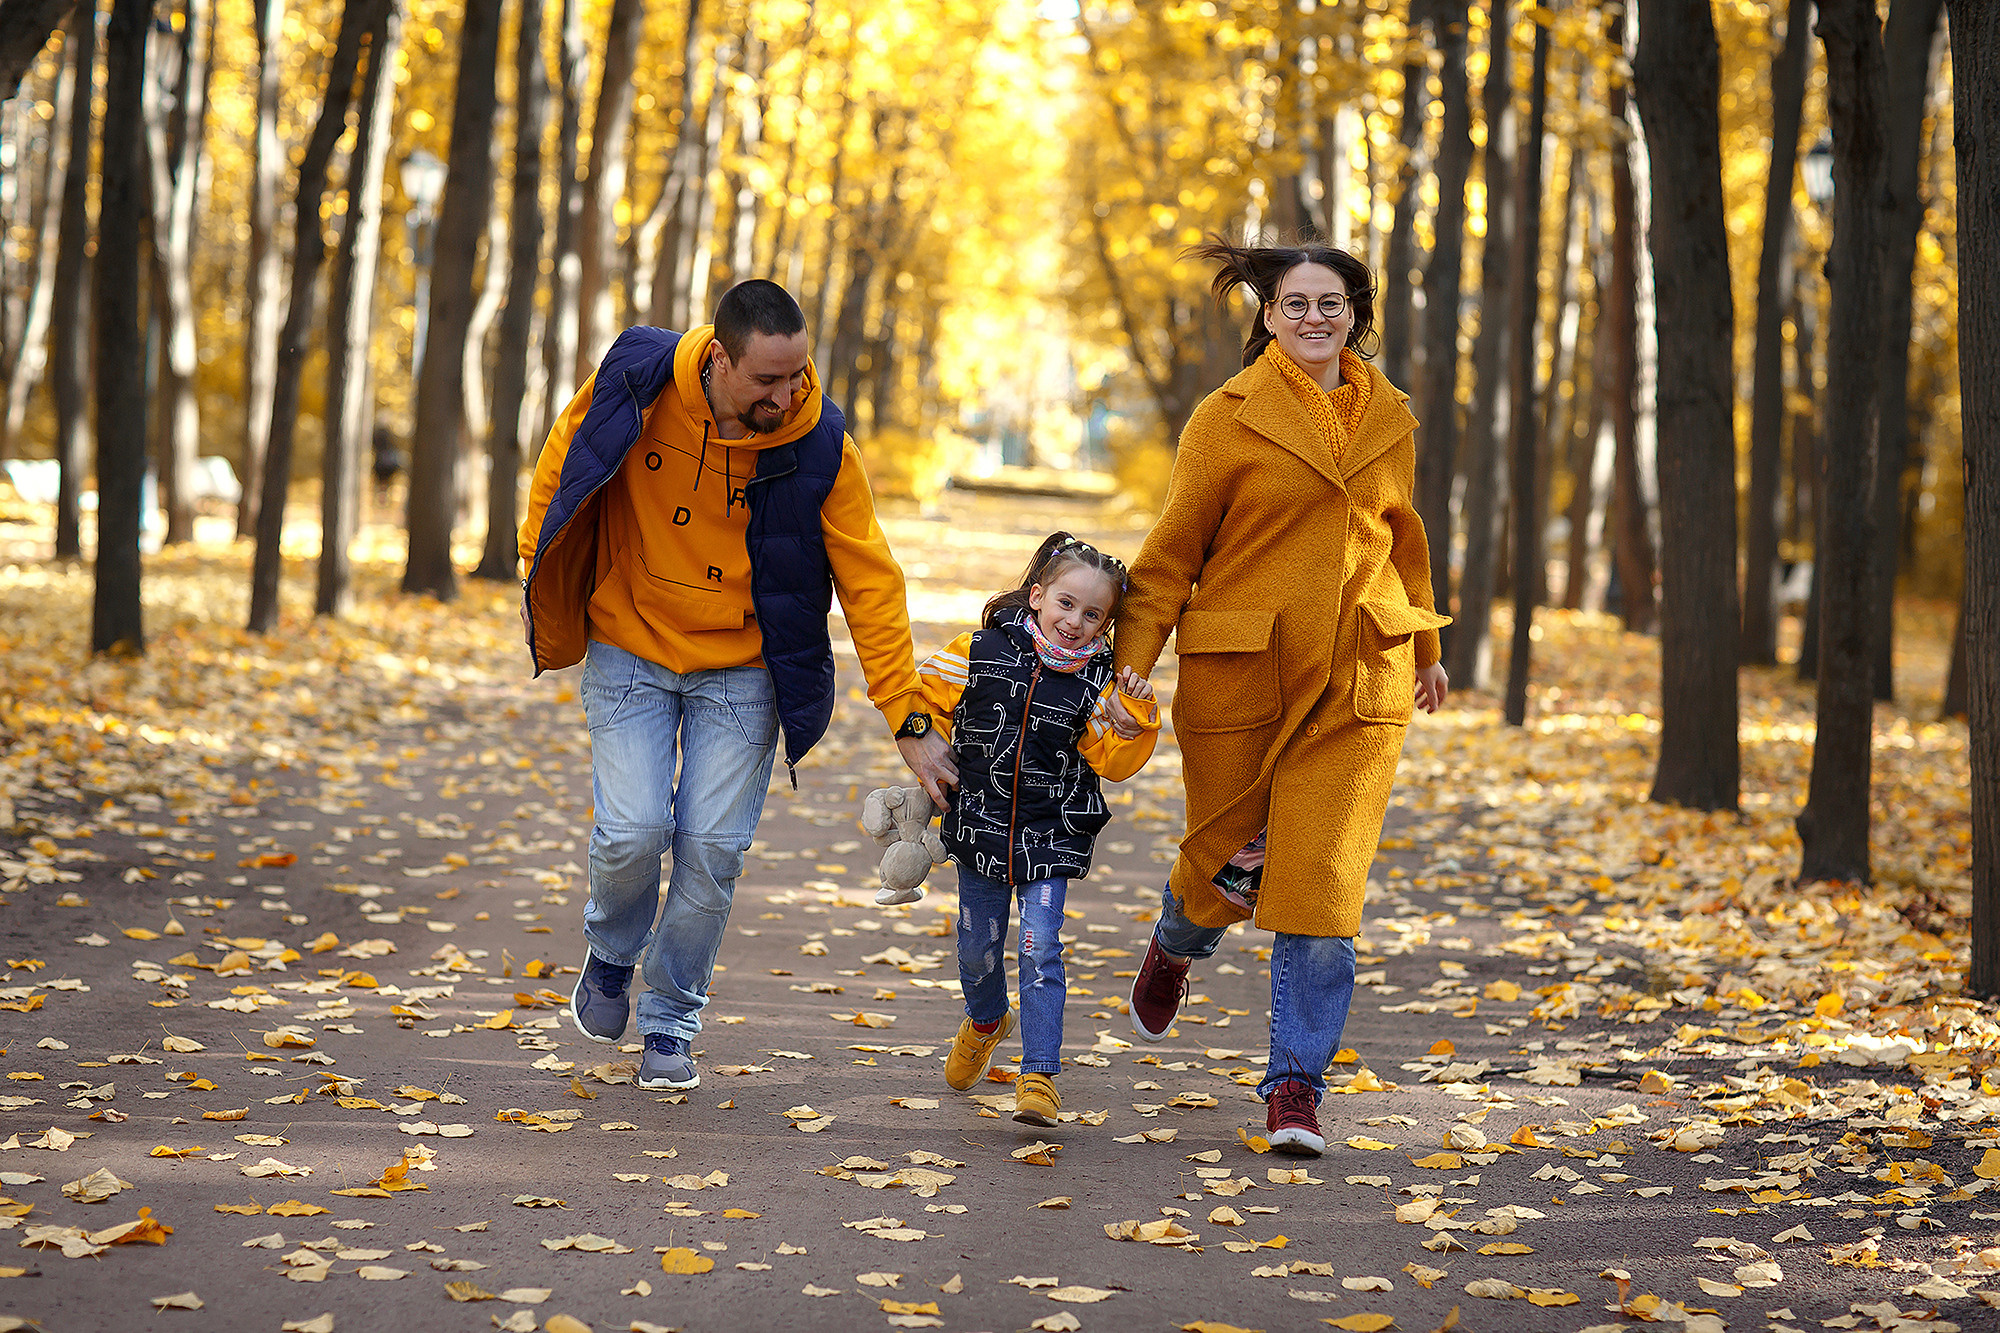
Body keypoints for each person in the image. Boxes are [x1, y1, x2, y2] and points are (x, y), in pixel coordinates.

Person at [517, 279, 956, 1092]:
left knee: (712, 848)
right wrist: (534, 559)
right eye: (767, 380)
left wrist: (909, 713)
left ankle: (672, 1018)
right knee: (632, 830)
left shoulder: (821, 444)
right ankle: (612, 954)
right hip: (630, 645)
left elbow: (872, 585)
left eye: (798, 377)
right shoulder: (639, 378)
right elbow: (561, 466)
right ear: (719, 356)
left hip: (743, 669)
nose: (786, 396)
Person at [1110, 239, 1450, 1157]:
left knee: (1321, 892)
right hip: (1246, 673)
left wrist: (1421, 642)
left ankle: (1295, 1087)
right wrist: (1130, 662)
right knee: (1225, 866)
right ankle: (1177, 941)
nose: (1312, 318)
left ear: (1355, 315)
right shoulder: (1225, 420)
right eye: (1294, 304)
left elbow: (1403, 536)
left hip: (1355, 682)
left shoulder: (1392, 417)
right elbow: (1170, 553)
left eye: (1330, 304)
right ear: (1267, 315)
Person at [907, 533, 1160, 1127]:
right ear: (1039, 594)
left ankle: (1040, 1075)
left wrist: (1135, 718)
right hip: (979, 831)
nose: (1076, 621)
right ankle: (987, 1020)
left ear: (1106, 625)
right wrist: (927, 747)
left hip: (1052, 835)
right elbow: (921, 701)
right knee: (978, 952)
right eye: (1066, 604)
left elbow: (1113, 764)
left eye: (1093, 614)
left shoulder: (1100, 685)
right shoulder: (979, 650)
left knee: (1041, 948)